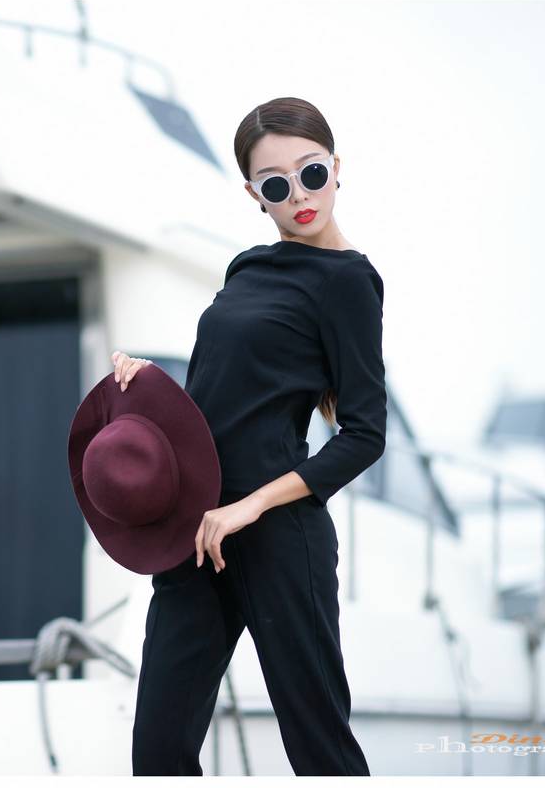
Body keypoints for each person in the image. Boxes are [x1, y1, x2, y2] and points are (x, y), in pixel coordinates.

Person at [118, 96, 384, 776]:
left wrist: (251, 505)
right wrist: (149, 384)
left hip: (277, 535)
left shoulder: (350, 281)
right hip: (195, 533)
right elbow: (217, 396)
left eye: (311, 174)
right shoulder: (248, 267)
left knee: (319, 751)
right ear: (254, 195)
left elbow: (365, 434)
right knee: (158, 754)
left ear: (336, 168)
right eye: (276, 184)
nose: (300, 196)